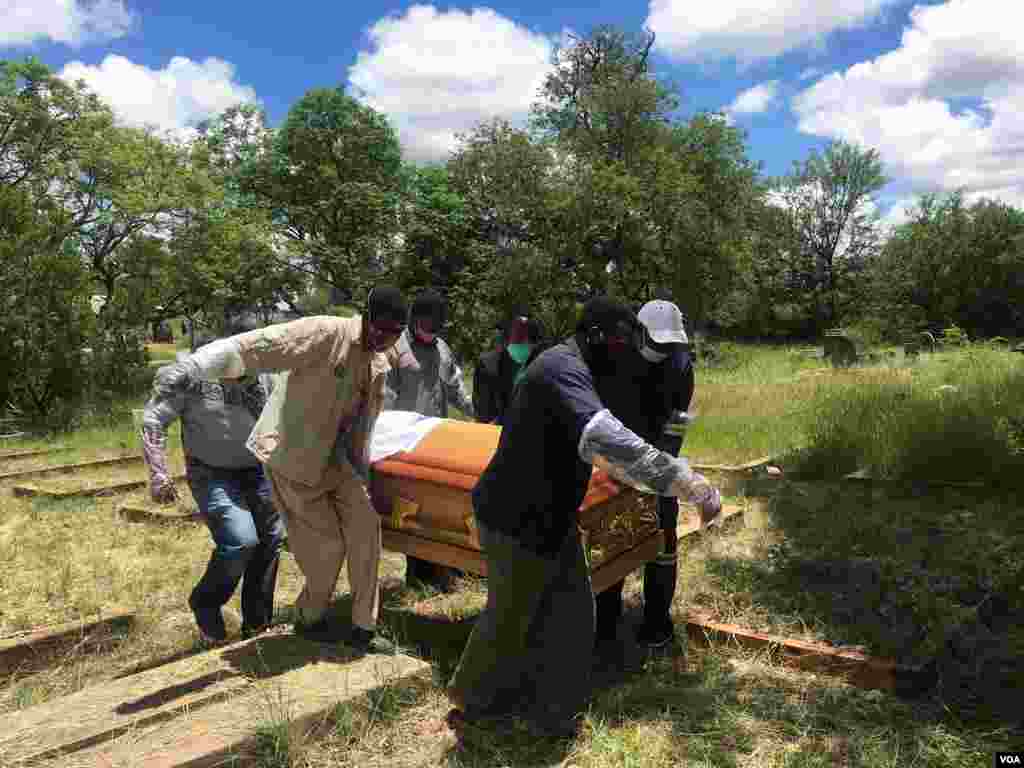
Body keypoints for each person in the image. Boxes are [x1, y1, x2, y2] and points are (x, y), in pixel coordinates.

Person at [446, 296, 722, 737]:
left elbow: (630, 430)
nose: (626, 351)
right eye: (620, 341)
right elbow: (606, 439)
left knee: (574, 616)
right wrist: (689, 483)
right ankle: (471, 706)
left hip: (554, 513)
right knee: (510, 616)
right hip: (513, 514)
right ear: (596, 336)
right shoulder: (561, 368)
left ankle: (556, 714)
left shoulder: (592, 367)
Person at [152, 286, 409, 655]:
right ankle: (310, 619)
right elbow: (264, 345)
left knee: (367, 532)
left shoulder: (379, 360)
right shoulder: (327, 333)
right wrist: (195, 366)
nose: (384, 338)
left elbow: (363, 423)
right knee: (328, 549)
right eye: (379, 328)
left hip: (338, 461)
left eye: (394, 333)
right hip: (293, 459)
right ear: (365, 316)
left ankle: (363, 628)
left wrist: (363, 473)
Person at [142, 320, 285, 644]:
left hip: (257, 469)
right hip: (212, 472)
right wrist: (159, 473)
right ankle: (206, 602)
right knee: (240, 541)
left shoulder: (265, 374)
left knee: (270, 540)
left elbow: (283, 419)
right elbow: (153, 419)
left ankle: (258, 626)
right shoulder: (190, 378)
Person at [594, 298, 696, 665]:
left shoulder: (682, 365)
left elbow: (680, 416)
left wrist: (664, 455)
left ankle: (656, 623)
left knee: (663, 540)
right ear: (638, 335)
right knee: (612, 540)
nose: (662, 351)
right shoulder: (614, 360)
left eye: (668, 346)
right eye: (656, 343)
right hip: (617, 462)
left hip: (658, 463)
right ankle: (604, 621)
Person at [382, 288, 473, 592]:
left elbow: (457, 388)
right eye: (427, 323)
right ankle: (418, 579)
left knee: (441, 509)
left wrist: (481, 412)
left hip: (437, 440)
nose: (431, 330)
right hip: (404, 443)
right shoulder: (395, 349)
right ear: (414, 319)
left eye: (437, 325)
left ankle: (444, 571)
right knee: (413, 511)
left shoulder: (442, 349)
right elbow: (384, 399)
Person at [472, 307, 544, 426]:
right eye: (519, 339)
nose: (524, 343)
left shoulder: (541, 365)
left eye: (529, 340)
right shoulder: (487, 366)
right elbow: (483, 415)